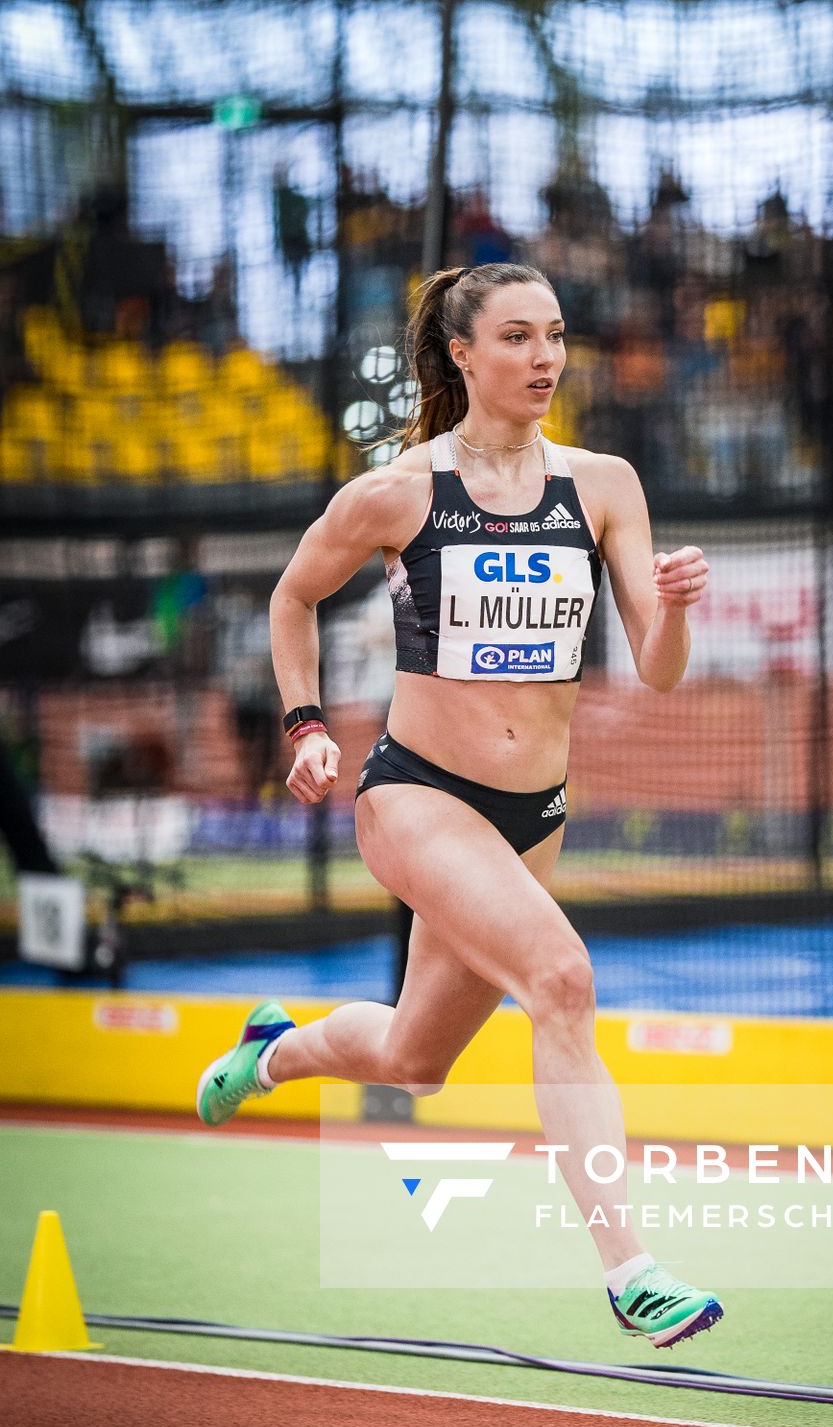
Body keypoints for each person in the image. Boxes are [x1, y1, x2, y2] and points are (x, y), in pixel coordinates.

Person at [195, 261, 722, 1350]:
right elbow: (291, 597)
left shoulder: (603, 484)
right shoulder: (398, 492)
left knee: (413, 1063)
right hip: (416, 799)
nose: (545, 358)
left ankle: (272, 1048)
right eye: (519, 338)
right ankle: (632, 1271)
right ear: (460, 355)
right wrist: (304, 726)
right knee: (561, 979)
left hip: (533, 816)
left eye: (556, 336)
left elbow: (659, 670)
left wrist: (670, 610)